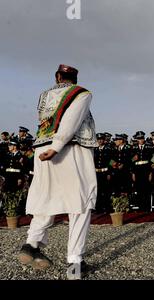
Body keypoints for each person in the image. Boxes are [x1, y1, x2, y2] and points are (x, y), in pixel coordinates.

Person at [17, 64, 97, 280]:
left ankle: (31, 244)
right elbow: (72, 119)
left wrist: (50, 147)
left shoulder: (44, 95)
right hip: (69, 149)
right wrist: (57, 146)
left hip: (41, 149)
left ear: (57, 77)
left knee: (46, 198)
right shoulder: (81, 93)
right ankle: (74, 262)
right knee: (80, 203)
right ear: (75, 78)